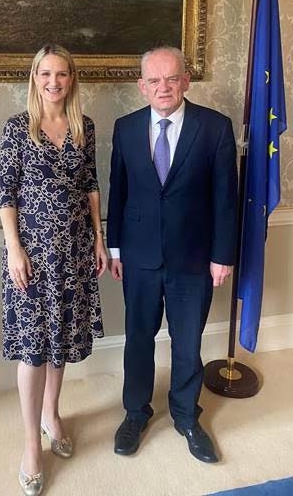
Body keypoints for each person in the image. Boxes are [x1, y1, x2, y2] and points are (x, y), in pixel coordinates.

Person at [107, 46, 237, 464]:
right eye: (154, 80)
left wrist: (222, 255)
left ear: (185, 81)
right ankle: (135, 413)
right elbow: (118, 192)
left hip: (194, 260)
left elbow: (226, 199)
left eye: (171, 78)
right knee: (138, 339)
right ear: (142, 86)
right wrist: (114, 248)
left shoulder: (214, 127)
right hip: (139, 257)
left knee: (187, 342)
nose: (163, 87)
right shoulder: (126, 128)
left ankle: (185, 415)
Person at [0, 43, 107, 496]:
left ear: (71, 79)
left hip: (75, 253)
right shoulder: (18, 128)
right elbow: (6, 193)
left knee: (59, 342)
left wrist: (99, 238)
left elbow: (91, 184)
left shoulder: (84, 127)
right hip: (32, 257)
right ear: (35, 78)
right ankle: (30, 444)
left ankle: (52, 414)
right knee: (33, 349)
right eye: (46, 73)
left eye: (61, 74)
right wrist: (14, 249)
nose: (53, 82)